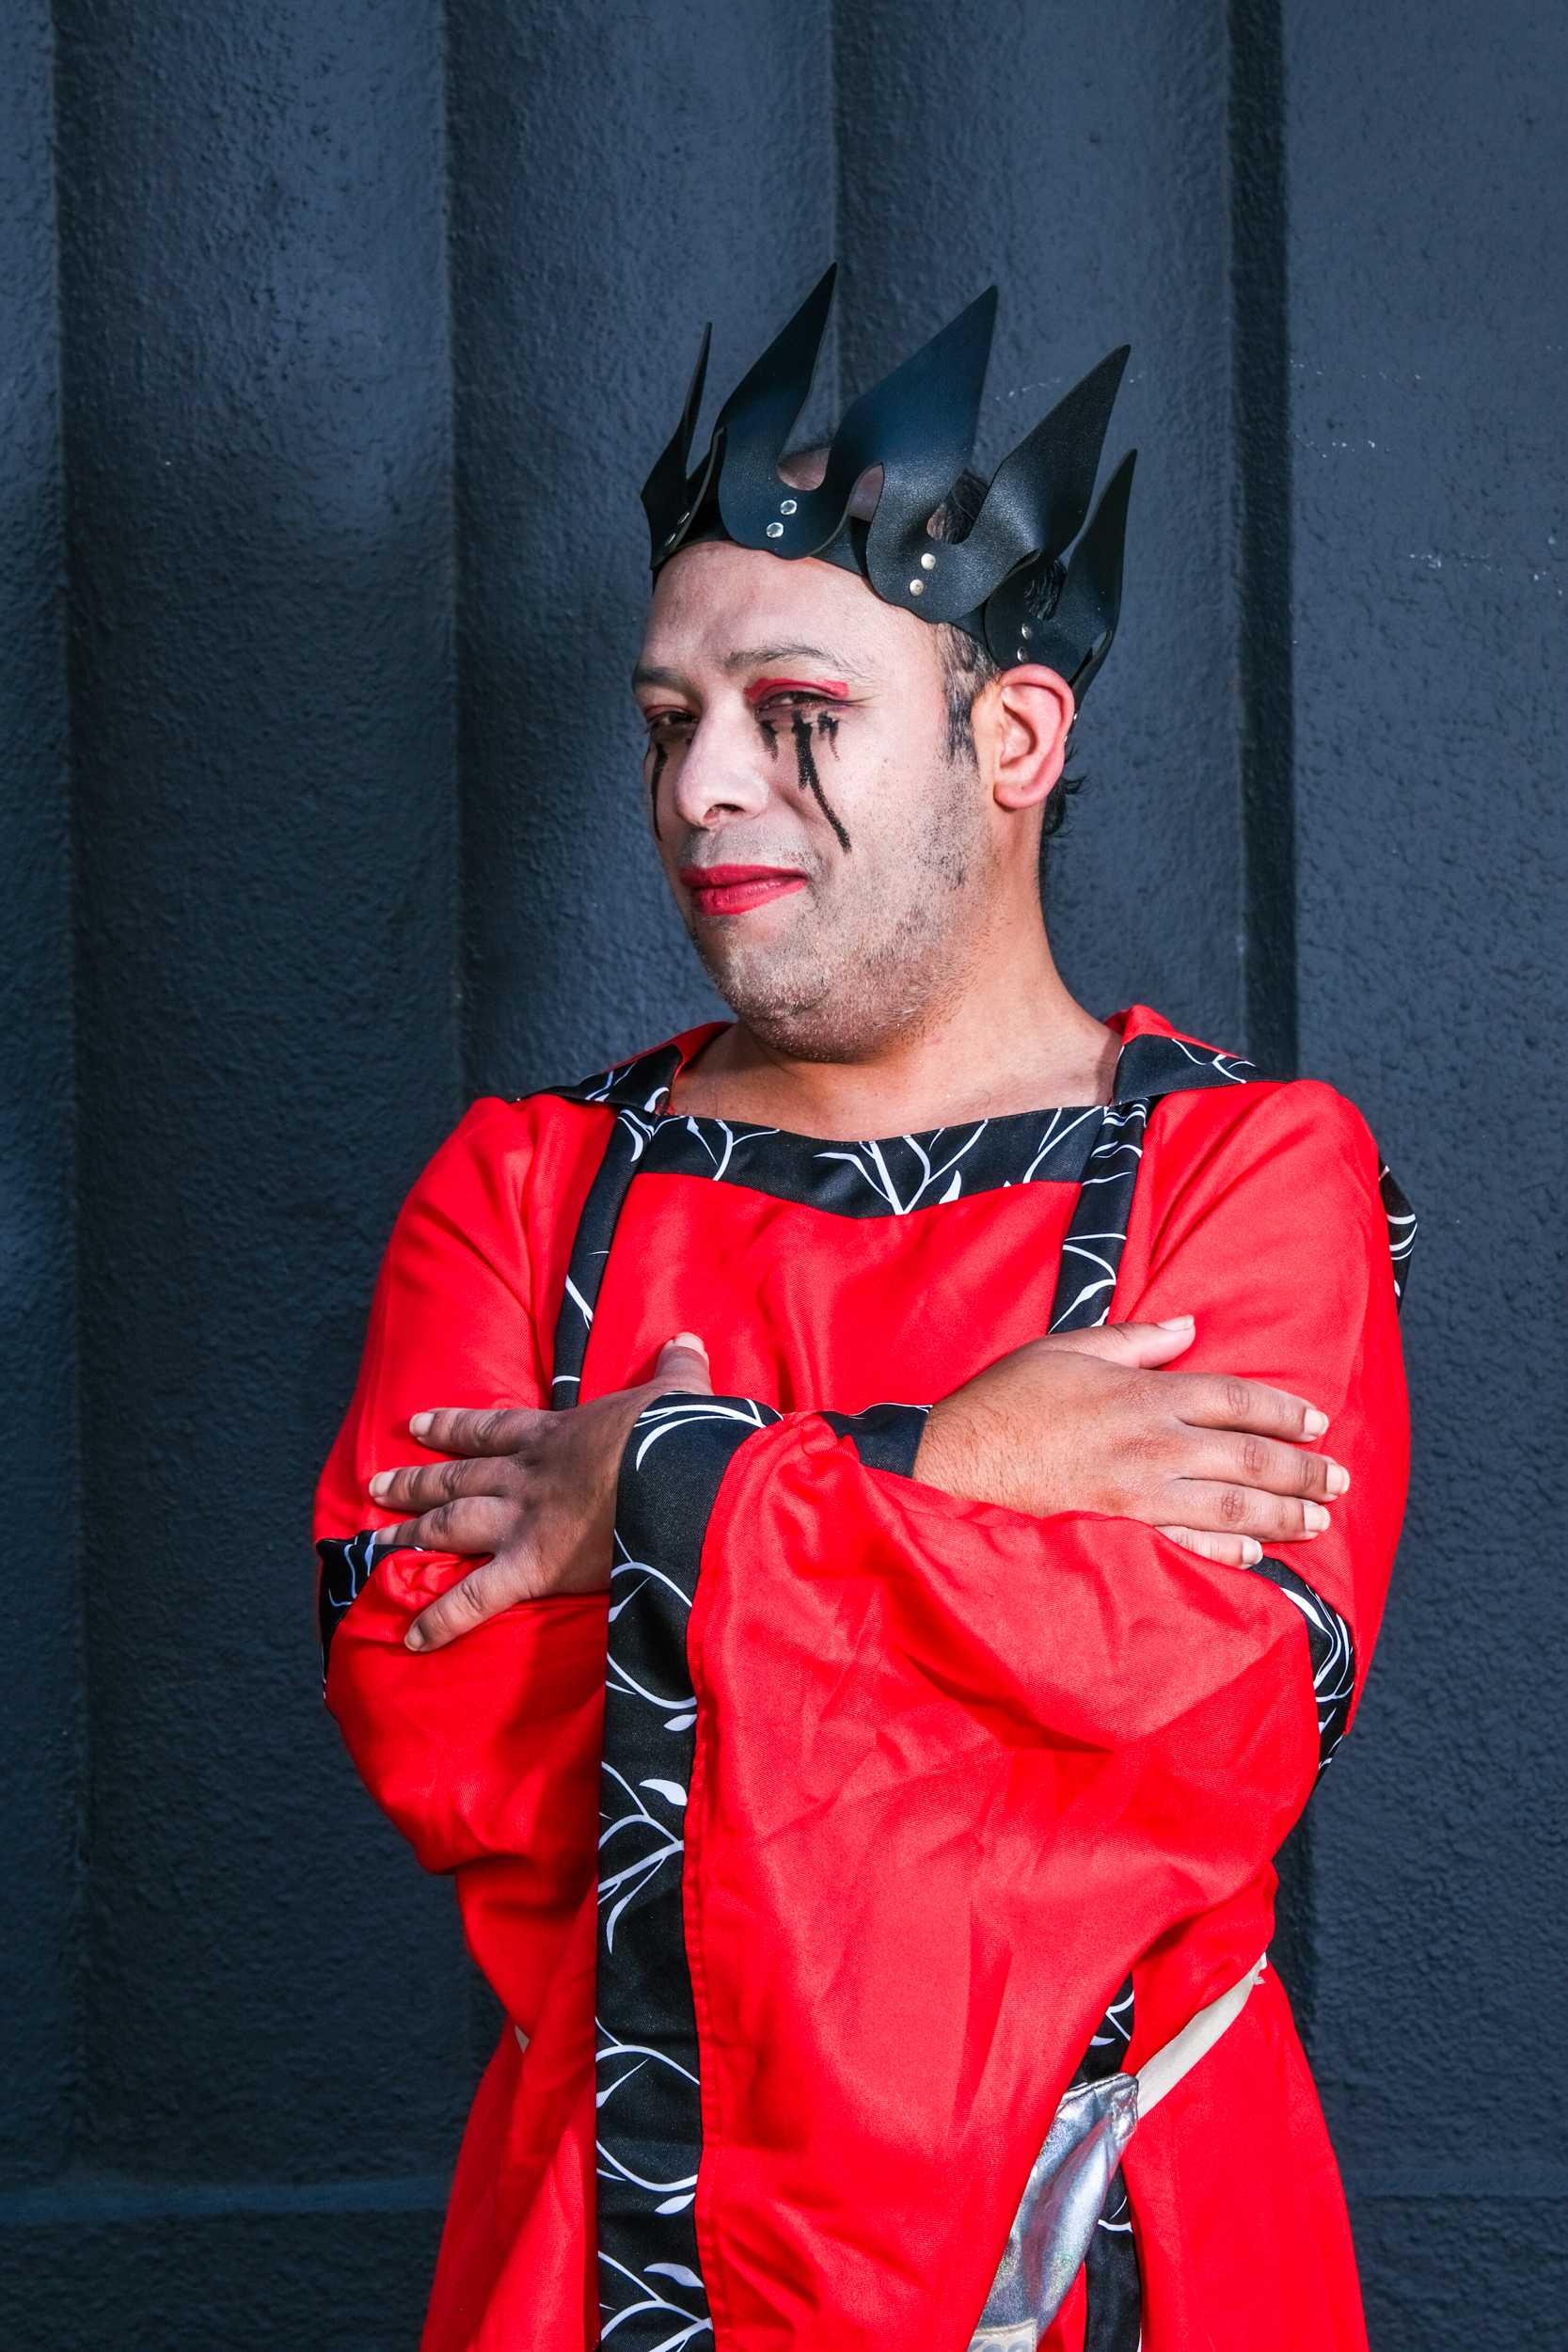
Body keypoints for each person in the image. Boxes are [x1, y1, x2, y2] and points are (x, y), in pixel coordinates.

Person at [315, 267, 1411, 2352]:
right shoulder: (520, 1192)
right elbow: (443, 1712)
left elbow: (1198, 1720)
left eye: (799, 716)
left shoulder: (1247, 1180)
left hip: (1125, 2248)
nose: (707, 790)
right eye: (669, 724)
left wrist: (649, 1486)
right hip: (613, 2256)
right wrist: (961, 1476)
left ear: (1014, 737)